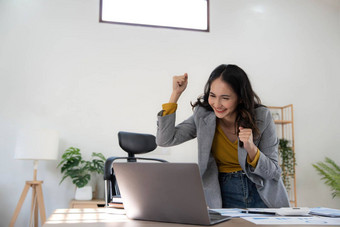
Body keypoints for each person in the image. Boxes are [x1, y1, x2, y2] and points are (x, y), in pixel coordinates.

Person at [156, 64, 290, 209]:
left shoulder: (261, 116)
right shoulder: (203, 115)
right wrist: (175, 94)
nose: (217, 104)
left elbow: (273, 172)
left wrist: (252, 149)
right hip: (223, 193)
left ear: (240, 98)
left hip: (262, 192)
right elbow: (165, 139)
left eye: (225, 98)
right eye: (212, 96)